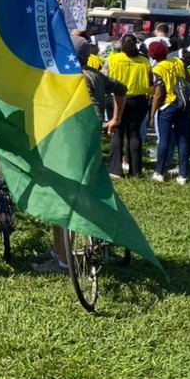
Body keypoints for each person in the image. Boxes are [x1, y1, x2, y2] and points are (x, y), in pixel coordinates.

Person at [32, 36, 125, 274]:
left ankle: (63, 260)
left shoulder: (72, 76)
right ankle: (58, 249)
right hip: (89, 137)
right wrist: (115, 118)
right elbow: (122, 89)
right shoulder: (95, 73)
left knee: (66, 196)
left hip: (75, 140)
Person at [104, 33, 152, 177]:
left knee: (117, 133)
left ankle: (115, 170)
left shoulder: (112, 59)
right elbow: (150, 82)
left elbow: (105, 76)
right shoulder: (145, 61)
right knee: (134, 133)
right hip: (138, 99)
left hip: (115, 99)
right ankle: (135, 171)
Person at [148, 40, 190, 184]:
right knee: (182, 138)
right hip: (183, 103)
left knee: (164, 139)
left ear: (152, 55)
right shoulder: (178, 61)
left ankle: (159, 172)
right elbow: (188, 79)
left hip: (169, 104)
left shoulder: (158, 69)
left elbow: (158, 94)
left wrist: (152, 114)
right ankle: (183, 174)